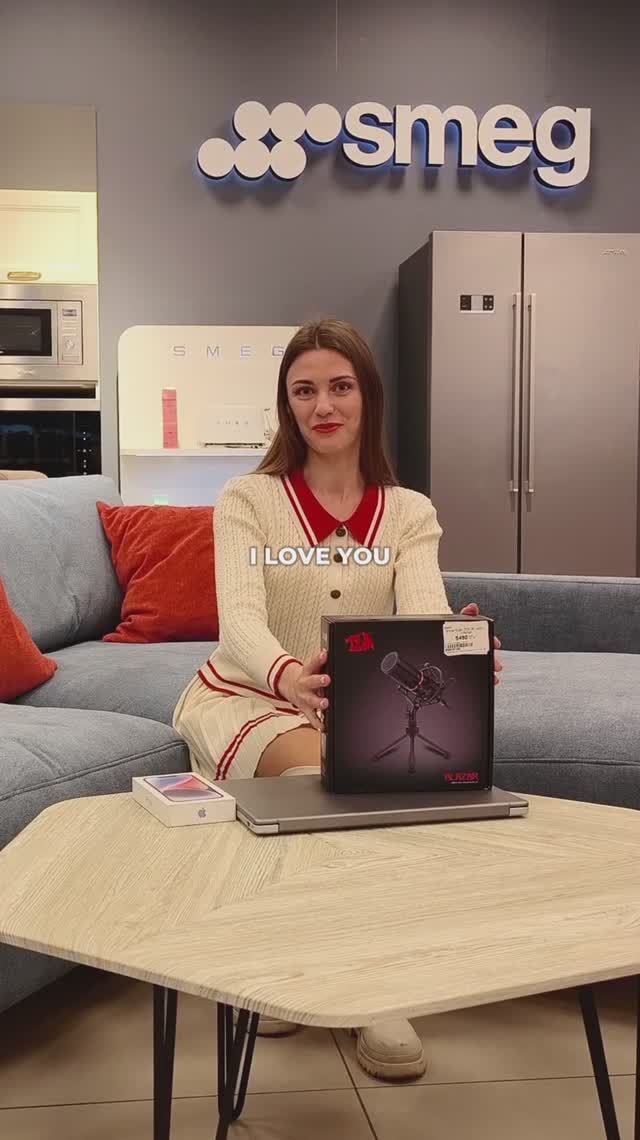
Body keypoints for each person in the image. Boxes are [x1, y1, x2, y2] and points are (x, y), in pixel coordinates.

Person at [173, 317, 502, 1082]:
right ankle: (325, 973)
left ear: (367, 397)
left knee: (373, 768)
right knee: (325, 774)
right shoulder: (247, 499)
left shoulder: (409, 512)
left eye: (340, 387)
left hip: (346, 706)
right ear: (286, 406)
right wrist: (289, 675)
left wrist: (460, 652)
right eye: (304, 391)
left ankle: (350, 977)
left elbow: (424, 614)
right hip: (247, 695)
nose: (323, 405)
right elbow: (239, 621)